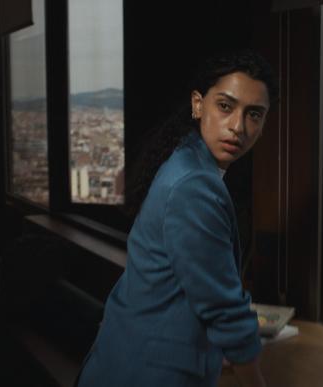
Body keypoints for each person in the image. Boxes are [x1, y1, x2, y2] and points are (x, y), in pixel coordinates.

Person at [75, 50, 278, 387]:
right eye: (225, 106)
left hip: (128, 355)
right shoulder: (194, 186)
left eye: (253, 114)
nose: (238, 126)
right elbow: (224, 308)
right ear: (198, 105)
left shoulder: (185, 157)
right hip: (149, 373)